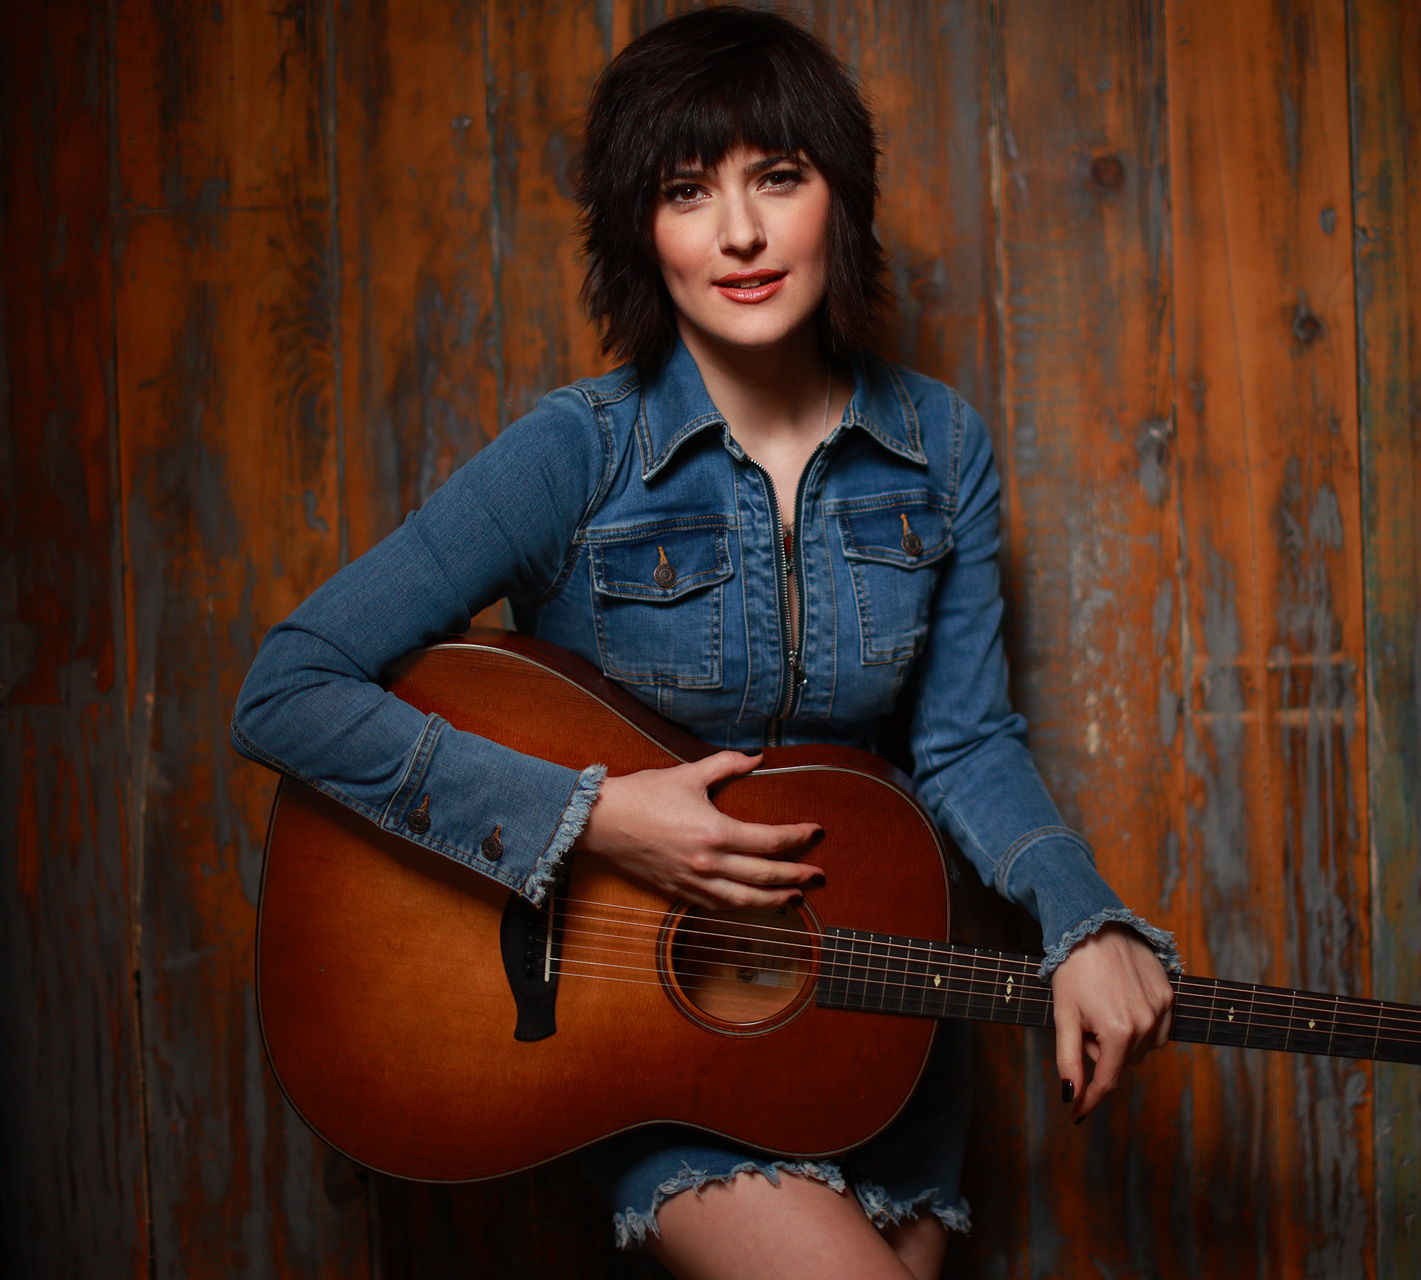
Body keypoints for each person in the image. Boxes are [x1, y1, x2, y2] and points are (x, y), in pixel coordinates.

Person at [231, 8, 1178, 1278]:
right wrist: (591, 815)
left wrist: (1087, 917)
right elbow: (287, 686)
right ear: (644, 228)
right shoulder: (574, 451)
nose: (739, 231)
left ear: (839, 197)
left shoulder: (940, 445)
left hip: (873, 1017)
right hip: (644, 1042)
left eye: (777, 177)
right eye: (689, 190)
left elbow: (962, 742)